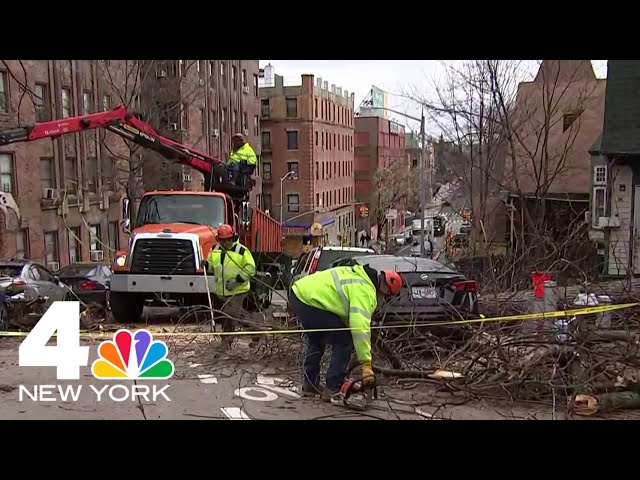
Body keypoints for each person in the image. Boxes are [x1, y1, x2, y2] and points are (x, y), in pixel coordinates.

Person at [289, 263, 403, 403]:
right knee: (343, 340)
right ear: (386, 288)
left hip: (300, 294)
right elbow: (359, 329)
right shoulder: (365, 290)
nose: (383, 298)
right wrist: (366, 364)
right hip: (310, 300)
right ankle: (333, 387)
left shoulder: (359, 276)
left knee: (316, 340)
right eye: (387, 295)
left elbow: (343, 310)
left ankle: (310, 384)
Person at [206, 224, 256, 347]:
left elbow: (250, 269)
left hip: (238, 290)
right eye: (223, 240)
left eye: (228, 239)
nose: (226, 243)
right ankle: (259, 333)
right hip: (222, 292)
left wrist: (237, 280)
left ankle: (226, 342)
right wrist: (206, 264)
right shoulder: (215, 250)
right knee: (238, 316)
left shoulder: (242, 251)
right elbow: (212, 267)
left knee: (230, 315)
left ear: (233, 238)